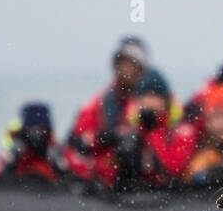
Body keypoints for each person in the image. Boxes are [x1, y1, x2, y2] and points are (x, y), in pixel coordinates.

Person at [66, 36, 175, 186]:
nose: (127, 70)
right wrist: (107, 137)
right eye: (122, 64)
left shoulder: (164, 101)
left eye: (132, 64)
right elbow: (77, 142)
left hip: (152, 178)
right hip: (111, 178)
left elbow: (176, 146)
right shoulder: (99, 104)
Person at [0, 102, 70, 182]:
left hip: (47, 186)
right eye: (35, 130)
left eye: (42, 129)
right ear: (26, 129)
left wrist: (58, 162)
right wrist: (13, 157)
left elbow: (70, 174)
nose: (39, 134)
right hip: (19, 185)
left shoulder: (53, 148)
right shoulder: (17, 147)